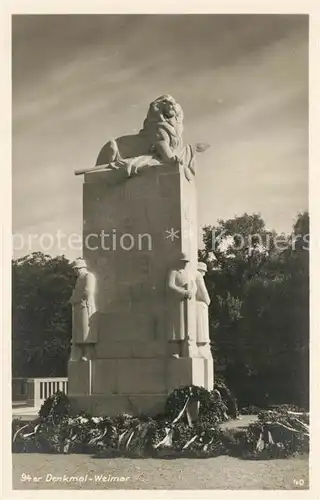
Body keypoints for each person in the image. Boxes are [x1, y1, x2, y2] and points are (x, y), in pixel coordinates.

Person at [167, 252, 196, 358]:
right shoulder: (173, 272)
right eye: (183, 262)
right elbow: (170, 285)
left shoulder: (188, 273)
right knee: (177, 326)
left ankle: (186, 349)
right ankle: (175, 349)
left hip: (187, 303)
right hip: (177, 303)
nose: (185, 264)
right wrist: (183, 292)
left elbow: (194, 285)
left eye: (186, 262)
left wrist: (191, 292)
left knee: (187, 328)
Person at [69, 258, 97, 361]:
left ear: (81, 268)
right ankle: (80, 352)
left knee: (87, 331)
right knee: (79, 331)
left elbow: (88, 291)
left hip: (86, 306)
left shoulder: (88, 276)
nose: (75, 271)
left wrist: (75, 299)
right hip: (78, 307)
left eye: (76, 269)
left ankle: (88, 353)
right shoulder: (79, 279)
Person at [195, 262, 212, 359]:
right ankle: (201, 347)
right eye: (203, 271)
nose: (204, 274)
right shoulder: (198, 276)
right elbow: (206, 298)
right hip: (199, 308)